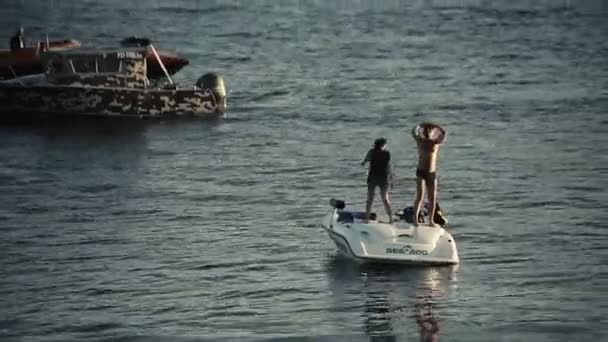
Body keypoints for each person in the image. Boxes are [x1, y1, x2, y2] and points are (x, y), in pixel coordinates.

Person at [412, 122, 446, 227]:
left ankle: (431, 221)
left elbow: (444, 133)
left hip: (431, 172)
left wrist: (436, 126)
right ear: (423, 132)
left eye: (430, 131)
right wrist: (421, 124)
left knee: (432, 197)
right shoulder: (420, 141)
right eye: (426, 131)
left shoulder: (435, 143)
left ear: (433, 133)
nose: (428, 133)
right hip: (421, 171)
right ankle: (415, 220)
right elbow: (413, 131)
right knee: (420, 196)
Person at [361, 137, 393, 223]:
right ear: (383, 145)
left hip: (373, 178)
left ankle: (367, 219)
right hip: (384, 178)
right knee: (385, 199)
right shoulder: (387, 153)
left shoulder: (371, 152)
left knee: (370, 199)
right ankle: (390, 218)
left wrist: (365, 162)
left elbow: (363, 163)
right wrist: (391, 178)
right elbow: (389, 167)